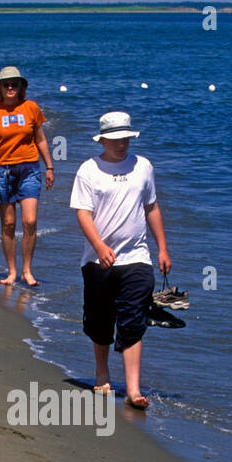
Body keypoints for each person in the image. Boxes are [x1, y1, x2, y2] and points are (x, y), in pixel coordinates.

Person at [70, 111, 171, 411]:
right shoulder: (88, 170)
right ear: (102, 140)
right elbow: (83, 214)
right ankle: (102, 374)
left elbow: (151, 207)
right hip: (97, 260)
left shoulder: (143, 167)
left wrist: (163, 248)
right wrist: (100, 246)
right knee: (100, 320)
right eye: (115, 139)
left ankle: (132, 389)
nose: (121, 144)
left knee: (133, 318)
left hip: (137, 258)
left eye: (126, 138)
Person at [0, 66, 53, 288]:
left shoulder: (31, 108)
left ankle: (27, 271)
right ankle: (11, 271)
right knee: (8, 224)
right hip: (2, 172)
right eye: (6, 84)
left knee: (30, 221)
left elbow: (40, 139)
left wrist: (49, 167)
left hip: (29, 169)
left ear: (21, 87)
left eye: (14, 84)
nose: (10, 87)